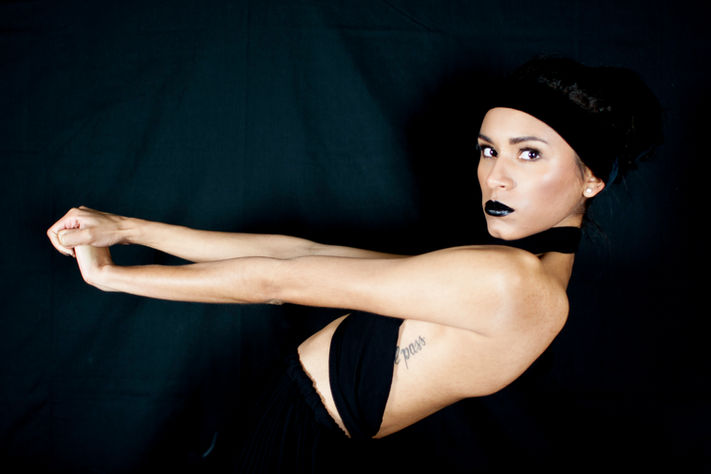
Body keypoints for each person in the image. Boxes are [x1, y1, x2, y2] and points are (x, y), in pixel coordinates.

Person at [46, 56, 662, 472]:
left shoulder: (515, 283)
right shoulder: (508, 269)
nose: (495, 176)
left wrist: (111, 277)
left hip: (295, 442)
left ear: (591, 180)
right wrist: (127, 229)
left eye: (529, 154)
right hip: (287, 425)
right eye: (487, 150)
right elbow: (300, 254)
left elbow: (279, 280)